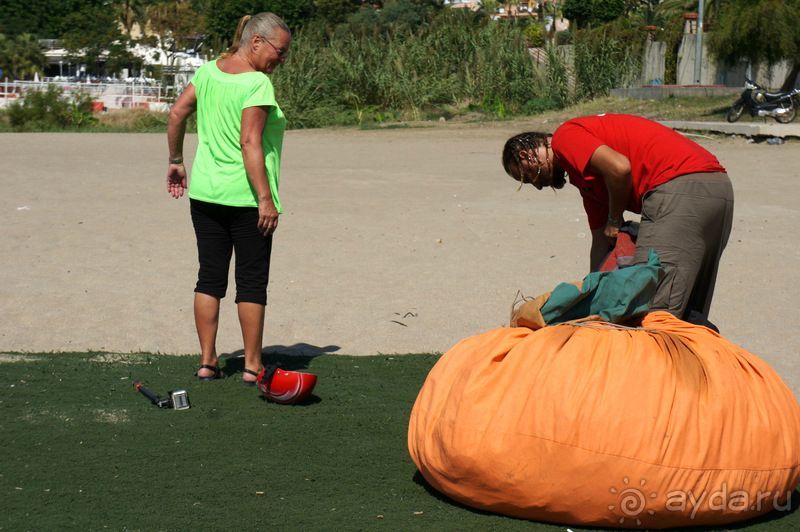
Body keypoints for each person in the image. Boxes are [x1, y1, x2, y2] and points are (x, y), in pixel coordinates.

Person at [501, 113, 734, 326]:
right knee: (686, 308)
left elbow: (620, 168)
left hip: (679, 186)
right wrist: (589, 295)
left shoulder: (565, 138)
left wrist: (615, 219)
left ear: (526, 155)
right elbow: (601, 241)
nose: (538, 186)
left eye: (528, 176)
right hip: (717, 190)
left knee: (650, 309)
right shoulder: (587, 178)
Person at [166, 12, 291, 384]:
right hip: (247, 198)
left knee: (209, 279)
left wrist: (176, 161)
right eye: (279, 52)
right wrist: (266, 199)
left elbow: (176, 114)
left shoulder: (207, 72)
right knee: (251, 282)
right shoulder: (256, 84)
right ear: (256, 42)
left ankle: (207, 362)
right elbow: (250, 141)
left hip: (205, 194)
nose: (281, 60)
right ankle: (252, 366)